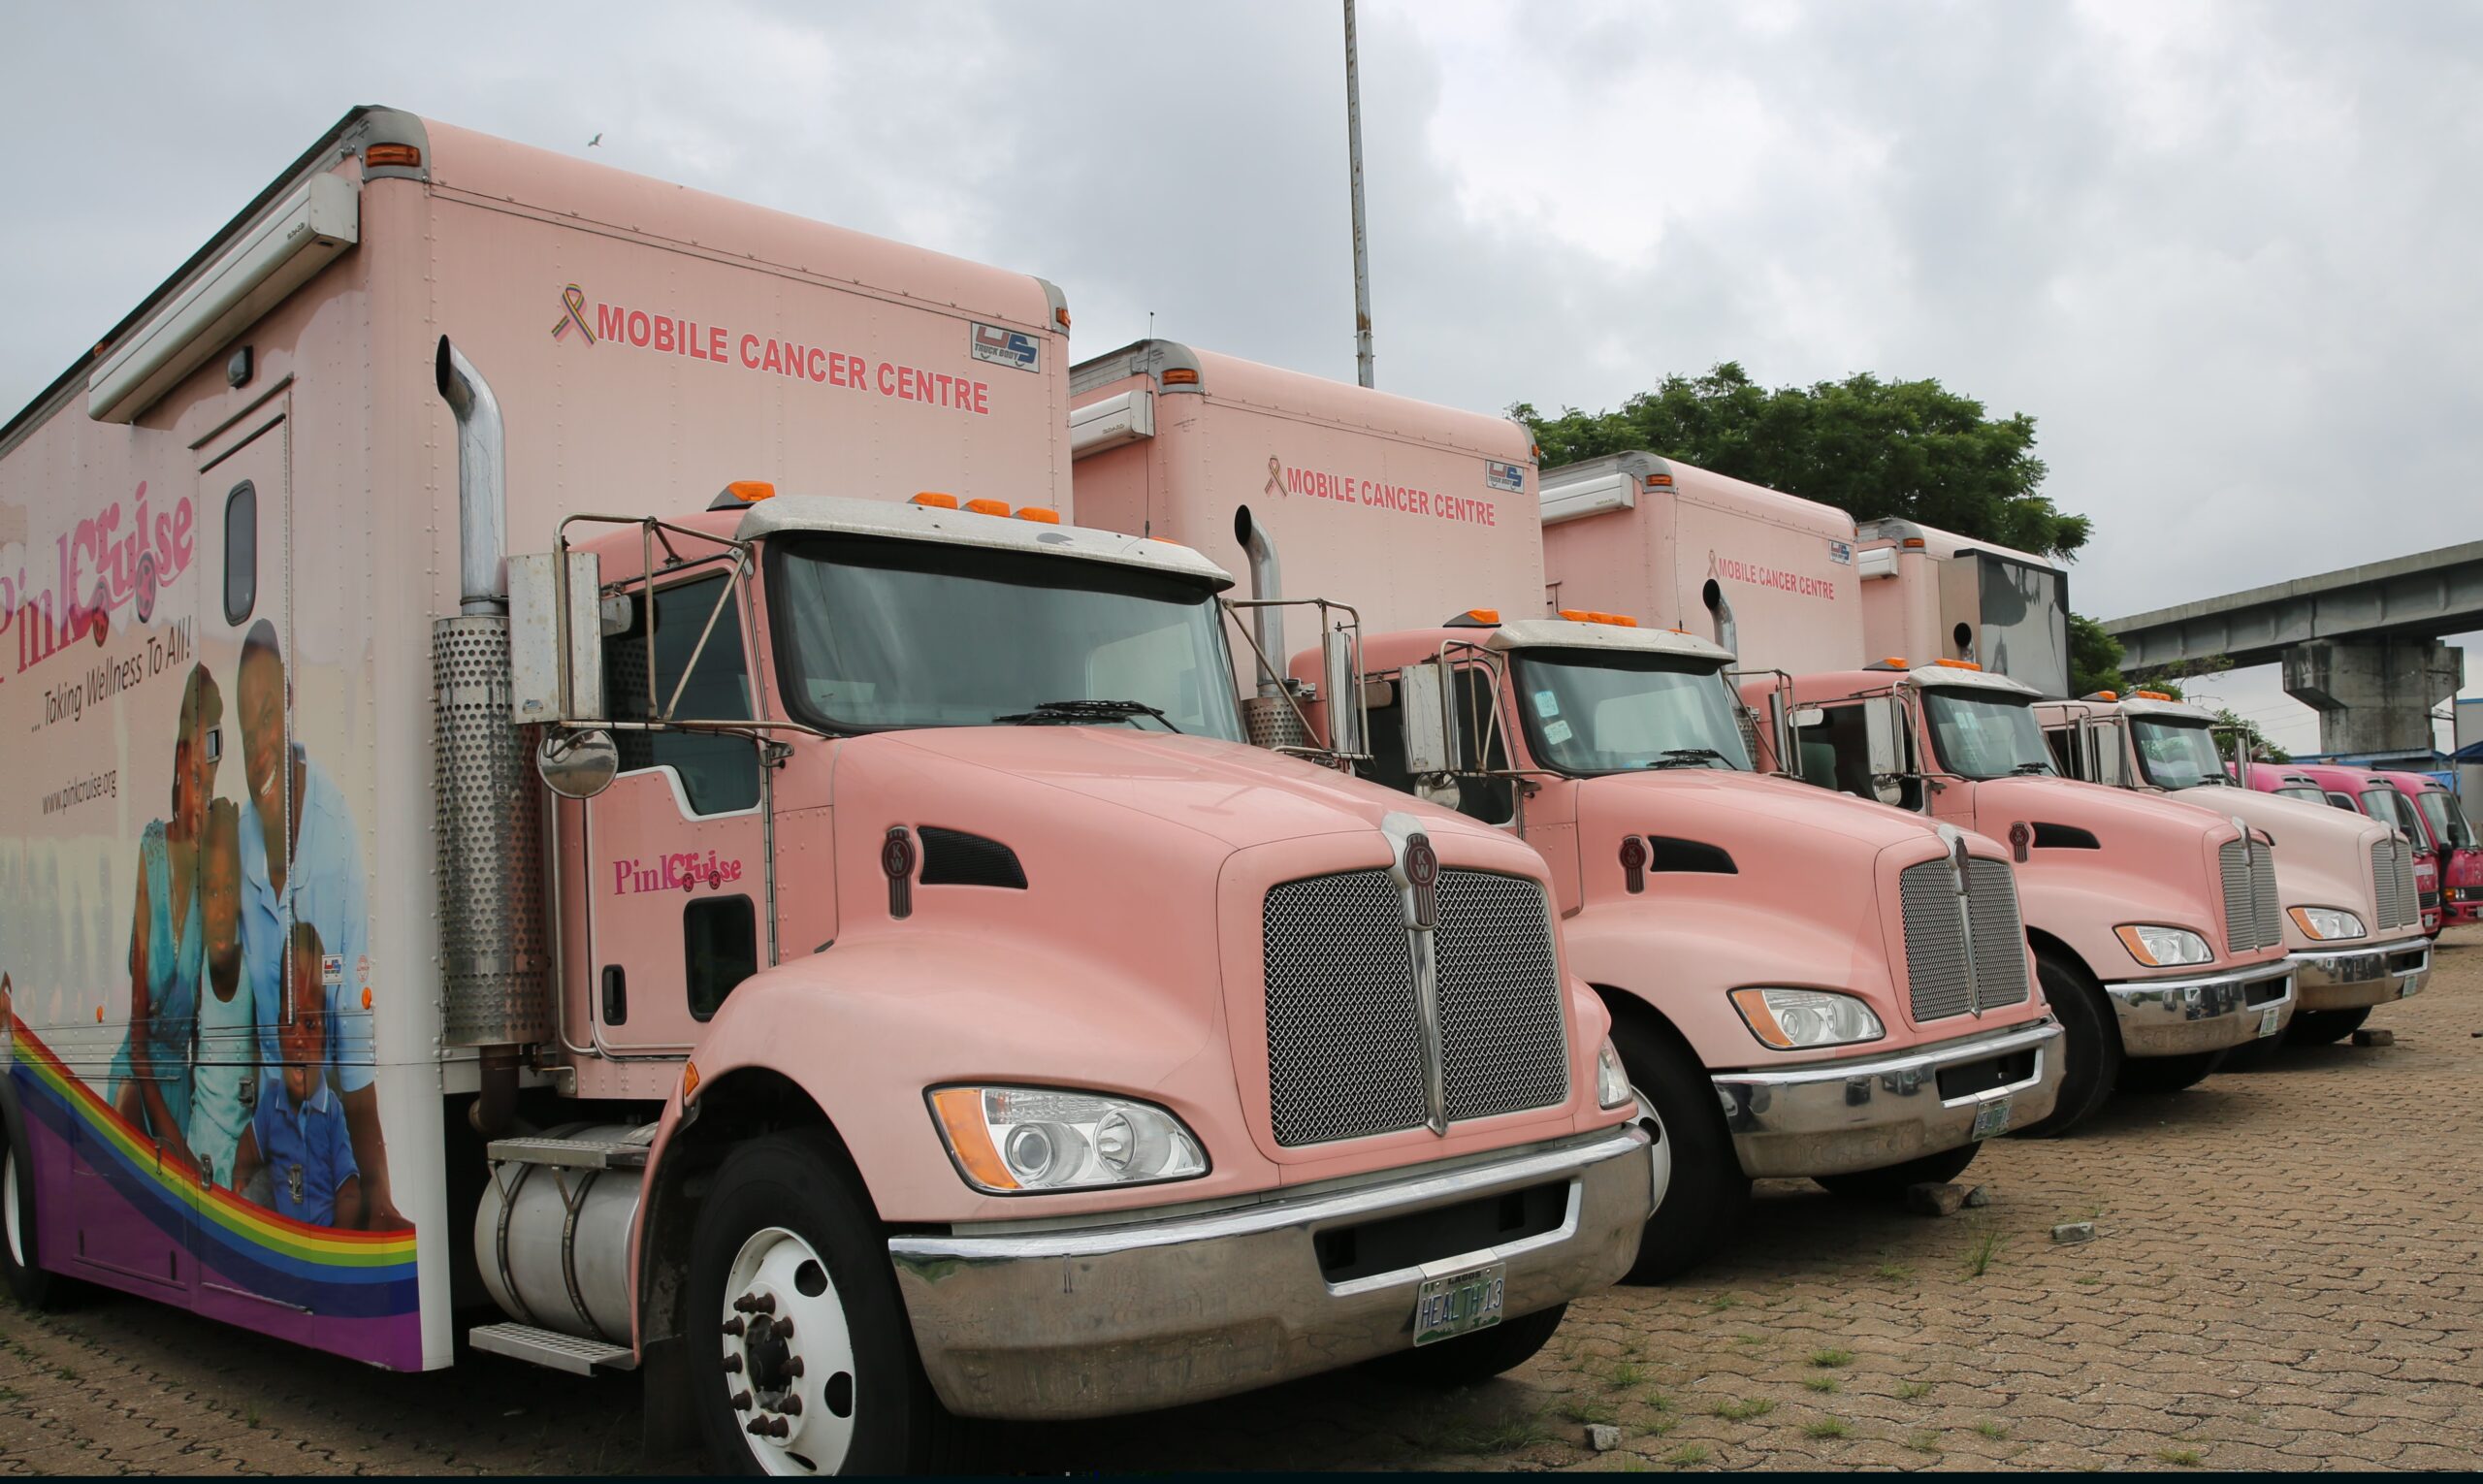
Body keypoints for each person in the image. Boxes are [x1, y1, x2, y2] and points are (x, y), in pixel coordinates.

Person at [234, 620, 403, 1232]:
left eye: (269, 717)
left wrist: (378, 1196)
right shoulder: (240, 841)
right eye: (245, 725)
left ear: (290, 706)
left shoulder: (335, 837)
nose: (259, 743)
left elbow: (352, 1040)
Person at [109, 664, 220, 1168]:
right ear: (180, 761)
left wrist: (189, 1133)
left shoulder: (213, 870)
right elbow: (137, 1037)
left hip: (179, 1088)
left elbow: (205, 1034)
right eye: (197, 777)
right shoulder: (152, 851)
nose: (203, 800)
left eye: (211, 782)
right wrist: (171, 1134)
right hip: (140, 1079)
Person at [233, 922, 361, 1228]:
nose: (299, 1039)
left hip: (322, 1238)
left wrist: (339, 1241)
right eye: (290, 1025)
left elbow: (349, 1189)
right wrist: (240, 1184)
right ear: (278, 1031)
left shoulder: (331, 1112)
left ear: (325, 1035)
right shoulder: (271, 1102)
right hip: (286, 1245)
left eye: (311, 1025)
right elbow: (248, 1148)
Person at [185, 799, 253, 1189]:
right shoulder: (197, 971)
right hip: (201, 1146)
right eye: (210, 893)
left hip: (242, 1153)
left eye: (229, 889)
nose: (221, 906)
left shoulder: (252, 966)